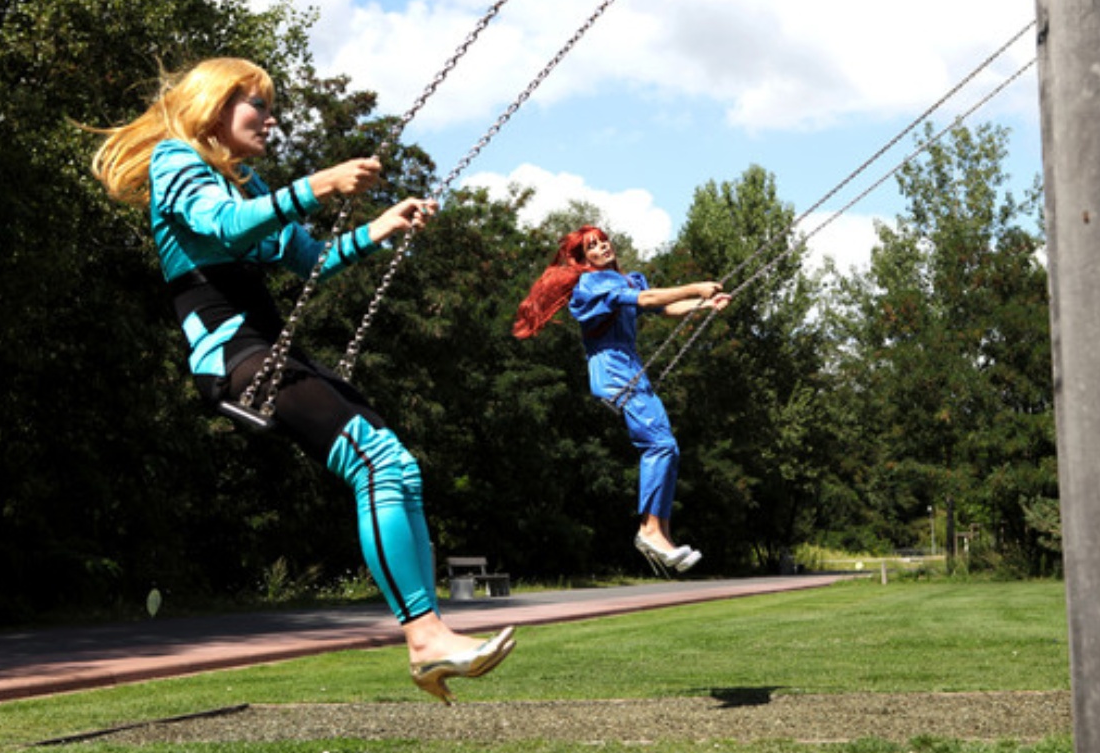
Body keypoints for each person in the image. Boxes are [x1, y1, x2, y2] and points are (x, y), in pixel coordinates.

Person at [90, 57, 513, 704]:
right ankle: (425, 639)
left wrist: (380, 227)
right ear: (215, 104)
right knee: (378, 464)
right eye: (257, 103)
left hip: (267, 349)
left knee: (395, 467)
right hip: (233, 354)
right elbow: (223, 226)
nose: (270, 117)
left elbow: (312, 261)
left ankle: (430, 642)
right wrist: (318, 184)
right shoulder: (177, 163)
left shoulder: (247, 182)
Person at [513, 225, 731, 574]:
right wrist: (695, 286)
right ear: (584, 259)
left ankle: (663, 535)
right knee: (659, 445)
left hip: (631, 370)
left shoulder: (627, 281)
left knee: (668, 447)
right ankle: (649, 531)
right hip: (612, 371)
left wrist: (705, 303)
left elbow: (663, 308)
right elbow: (648, 300)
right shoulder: (592, 285)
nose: (602, 248)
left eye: (603, 241)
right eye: (593, 247)